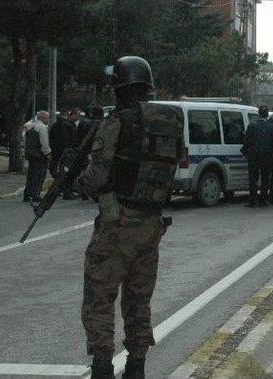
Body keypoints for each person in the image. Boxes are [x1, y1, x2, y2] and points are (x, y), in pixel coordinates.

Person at [76, 56, 183, 379]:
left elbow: (98, 174)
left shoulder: (116, 122)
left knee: (99, 299)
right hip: (151, 223)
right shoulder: (167, 120)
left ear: (119, 88)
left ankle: (102, 369)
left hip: (117, 223)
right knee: (139, 301)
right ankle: (136, 367)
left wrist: (81, 184)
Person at [242, 106, 273, 207]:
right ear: (266, 115)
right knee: (265, 179)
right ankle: (263, 200)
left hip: (254, 156)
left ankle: (252, 200)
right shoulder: (272, 127)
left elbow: (246, 141)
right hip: (267, 157)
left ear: (258, 114)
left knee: (253, 179)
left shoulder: (252, 126)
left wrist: (245, 152)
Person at [23, 111, 51, 203]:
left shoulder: (31, 126)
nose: (48, 120)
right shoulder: (42, 128)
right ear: (43, 118)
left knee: (31, 175)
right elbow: (44, 144)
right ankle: (35, 194)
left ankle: (27, 194)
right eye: (47, 118)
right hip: (39, 155)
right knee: (39, 176)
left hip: (31, 154)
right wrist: (48, 154)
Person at [49, 108, 77, 199]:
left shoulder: (55, 125)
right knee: (65, 171)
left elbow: (51, 138)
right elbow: (70, 139)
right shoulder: (67, 125)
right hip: (66, 151)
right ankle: (65, 191)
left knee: (58, 170)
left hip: (57, 151)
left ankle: (59, 189)